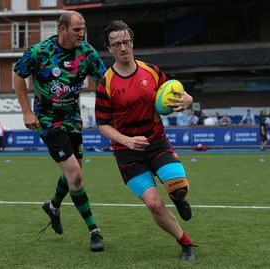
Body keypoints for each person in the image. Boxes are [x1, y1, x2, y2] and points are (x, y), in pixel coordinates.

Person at [95, 20, 197, 261]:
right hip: (127, 152)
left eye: (126, 41)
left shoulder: (151, 71)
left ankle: (178, 198)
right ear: (109, 49)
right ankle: (186, 243)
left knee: (180, 188)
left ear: (132, 42)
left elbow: (175, 93)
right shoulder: (105, 83)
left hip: (156, 141)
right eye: (116, 43)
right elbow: (103, 126)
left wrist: (188, 100)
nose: (122, 47)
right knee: (153, 204)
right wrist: (127, 141)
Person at [13, 10, 106, 252]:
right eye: (77, 29)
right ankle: (94, 231)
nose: (81, 33)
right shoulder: (39, 52)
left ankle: (53, 206)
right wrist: (26, 111)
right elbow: (18, 74)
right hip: (47, 121)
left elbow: (105, 80)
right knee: (75, 175)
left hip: (72, 120)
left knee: (75, 173)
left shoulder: (87, 53)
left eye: (83, 29)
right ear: (62, 29)